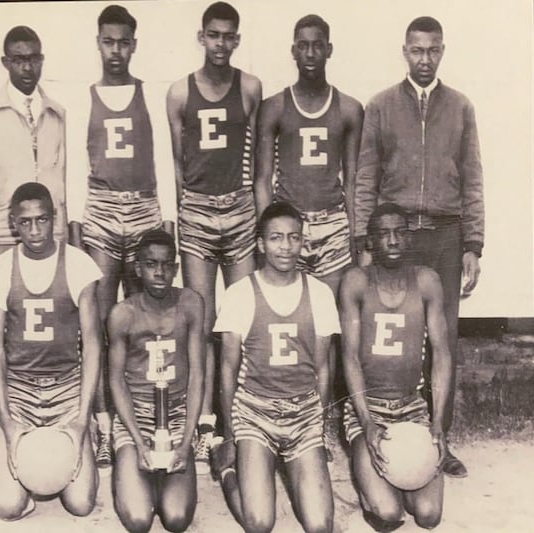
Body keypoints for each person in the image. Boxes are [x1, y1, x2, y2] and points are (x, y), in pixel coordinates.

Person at [354, 16, 484, 478]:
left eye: (432, 50)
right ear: (404, 51)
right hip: (398, 235)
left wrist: (473, 243)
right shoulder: (382, 106)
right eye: (416, 50)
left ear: (442, 52)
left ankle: (438, 439)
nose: (424, 59)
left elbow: (472, 177)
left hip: (447, 236)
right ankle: (376, 430)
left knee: (443, 337)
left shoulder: (461, 107)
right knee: (393, 335)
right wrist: (364, 240)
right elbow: (366, 177)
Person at [0, 25, 66, 487]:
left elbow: (65, 182)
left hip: (50, 243)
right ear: (5, 62)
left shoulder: (57, 112)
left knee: (48, 344)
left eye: (34, 58)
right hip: (4, 245)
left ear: (42, 59)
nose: (28, 67)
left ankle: (51, 441)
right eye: (18, 59)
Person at [166, 1, 262, 472]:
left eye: (229, 36)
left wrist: (257, 218)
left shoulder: (250, 87)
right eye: (213, 35)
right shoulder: (179, 93)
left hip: (240, 209)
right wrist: (179, 215)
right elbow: (175, 166)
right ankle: (204, 425)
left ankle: (239, 421)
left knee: (241, 318)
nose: (221, 43)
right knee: (201, 322)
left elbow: (259, 157)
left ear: (237, 40)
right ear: (200, 37)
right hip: (199, 212)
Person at [67, 4, 165, 468]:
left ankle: (147, 419)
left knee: (146, 325)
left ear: (134, 44)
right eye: (108, 41)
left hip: (145, 210)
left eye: (124, 42)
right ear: (98, 43)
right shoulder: (83, 97)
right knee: (103, 329)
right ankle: (105, 429)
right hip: (102, 214)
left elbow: (163, 163)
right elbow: (74, 170)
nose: (116, 50)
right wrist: (76, 233)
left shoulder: (152, 94)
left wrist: (166, 229)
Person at [0, 182, 102, 520]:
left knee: (80, 504)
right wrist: (7, 420)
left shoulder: (79, 264)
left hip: (66, 387)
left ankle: (80, 444)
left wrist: (79, 418)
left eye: (42, 220)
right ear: (13, 223)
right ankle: (7, 458)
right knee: (8, 507)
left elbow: (92, 343)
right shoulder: (0, 269)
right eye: (26, 221)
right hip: (20, 389)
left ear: (55, 218)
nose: (35, 230)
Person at [214, 201, 337, 533]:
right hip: (255, 412)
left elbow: (323, 369)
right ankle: (227, 472)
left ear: (303, 242)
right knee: (260, 523)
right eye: (276, 238)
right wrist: (228, 434)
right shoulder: (240, 293)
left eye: (294, 238)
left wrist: (319, 426)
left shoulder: (321, 293)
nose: (286, 247)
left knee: (319, 524)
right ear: (260, 243)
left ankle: (297, 472)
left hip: (303, 414)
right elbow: (227, 369)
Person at [339, 203, 451, 531]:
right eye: (383, 234)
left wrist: (438, 422)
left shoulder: (427, 281)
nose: (392, 240)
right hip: (368, 411)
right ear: (370, 242)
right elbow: (349, 357)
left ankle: (392, 480)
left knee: (429, 515)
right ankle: (371, 486)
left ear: (409, 238)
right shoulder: (356, 282)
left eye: (399, 233)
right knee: (388, 515)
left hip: (411, 409)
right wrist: (367, 423)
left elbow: (442, 354)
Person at [255, 14, 363, 296]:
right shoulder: (274, 106)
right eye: (303, 46)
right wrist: (268, 232)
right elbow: (262, 179)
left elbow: (353, 180)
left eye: (317, 45)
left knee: (332, 314)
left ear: (329, 49)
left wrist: (356, 234)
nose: (311, 53)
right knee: (289, 310)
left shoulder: (350, 109)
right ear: (294, 51)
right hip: (290, 222)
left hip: (333, 223)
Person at [108, 229, 204, 532]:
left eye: (166, 265)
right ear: (138, 268)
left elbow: (198, 375)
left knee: (175, 519)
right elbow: (116, 381)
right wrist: (138, 443)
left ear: (176, 268)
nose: (159, 272)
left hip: (175, 414)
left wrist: (186, 441)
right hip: (135, 415)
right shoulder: (123, 313)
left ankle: (166, 479)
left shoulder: (191, 304)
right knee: (139, 521)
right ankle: (136, 473)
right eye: (151, 264)